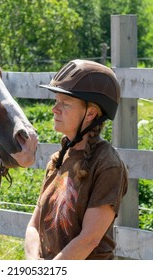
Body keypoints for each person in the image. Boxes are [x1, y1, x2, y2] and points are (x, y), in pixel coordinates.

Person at [24, 59, 128, 260]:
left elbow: (89, 239)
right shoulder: (58, 159)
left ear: (90, 113)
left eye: (65, 103)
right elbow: (33, 227)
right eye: (56, 101)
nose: (55, 109)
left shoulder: (108, 165)